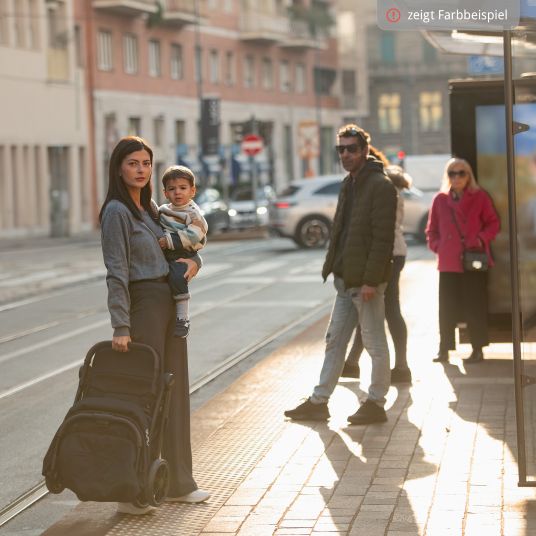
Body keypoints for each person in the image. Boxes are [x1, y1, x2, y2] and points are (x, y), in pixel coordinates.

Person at [99, 136, 210, 515]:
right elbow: (116, 271)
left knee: (175, 393)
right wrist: (120, 325)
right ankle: (130, 489)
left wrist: (195, 266)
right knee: (145, 397)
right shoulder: (116, 212)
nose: (141, 169)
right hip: (143, 306)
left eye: (146, 163)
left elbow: (184, 251)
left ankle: (178, 482)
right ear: (118, 168)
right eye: (133, 163)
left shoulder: (151, 210)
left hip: (168, 303)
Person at [284, 124, 397, 425]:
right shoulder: (350, 182)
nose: (345, 154)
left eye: (351, 149)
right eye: (341, 149)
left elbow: (382, 239)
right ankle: (319, 401)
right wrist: (335, 266)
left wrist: (372, 280)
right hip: (347, 279)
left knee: (374, 343)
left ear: (364, 150)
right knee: (335, 340)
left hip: (366, 281)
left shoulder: (380, 185)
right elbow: (343, 230)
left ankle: (376, 402)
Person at [342, 164, 412, 384]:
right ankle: (358, 363)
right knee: (382, 308)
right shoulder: (394, 192)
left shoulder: (386, 192)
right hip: (394, 253)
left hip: (385, 255)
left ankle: (394, 365)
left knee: (379, 308)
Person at [426, 157, 499, 364]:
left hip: (472, 260)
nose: (456, 177)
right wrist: (438, 247)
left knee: (474, 306)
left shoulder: (479, 197)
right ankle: (444, 349)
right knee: (447, 308)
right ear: (447, 177)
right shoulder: (440, 199)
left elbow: (493, 224)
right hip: (448, 260)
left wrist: (479, 239)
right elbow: (431, 230)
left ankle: (478, 349)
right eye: (452, 173)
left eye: (461, 173)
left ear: (469, 176)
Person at [158, 165, 208, 339]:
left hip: (183, 253)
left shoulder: (193, 213)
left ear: (192, 191)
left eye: (183, 188)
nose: (177, 192)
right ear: (165, 193)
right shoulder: (164, 210)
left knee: (178, 278)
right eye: (172, 189)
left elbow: (196, 234)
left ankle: (183, 318)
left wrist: (169, 241)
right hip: (168, 254)